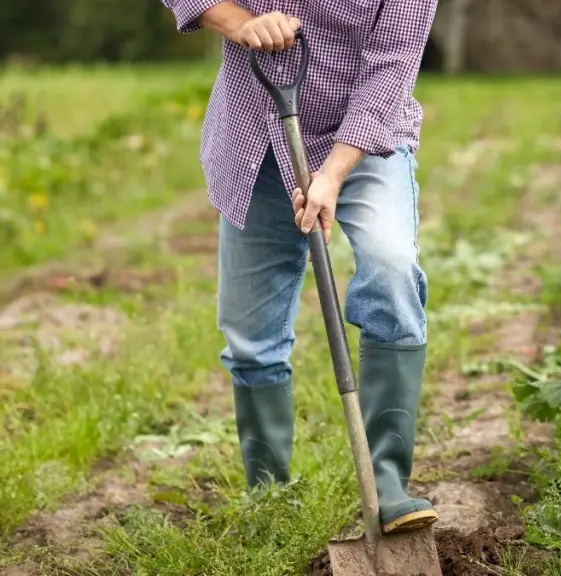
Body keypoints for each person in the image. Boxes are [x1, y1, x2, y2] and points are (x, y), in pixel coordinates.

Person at [158, 0, 439, 534]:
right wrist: (240, 22)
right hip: (256, 137)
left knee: (392, 267)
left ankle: (386, 484)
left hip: (364, 143)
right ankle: (269, 499)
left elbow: (392, 66)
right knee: (250, 333)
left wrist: (331, 174)